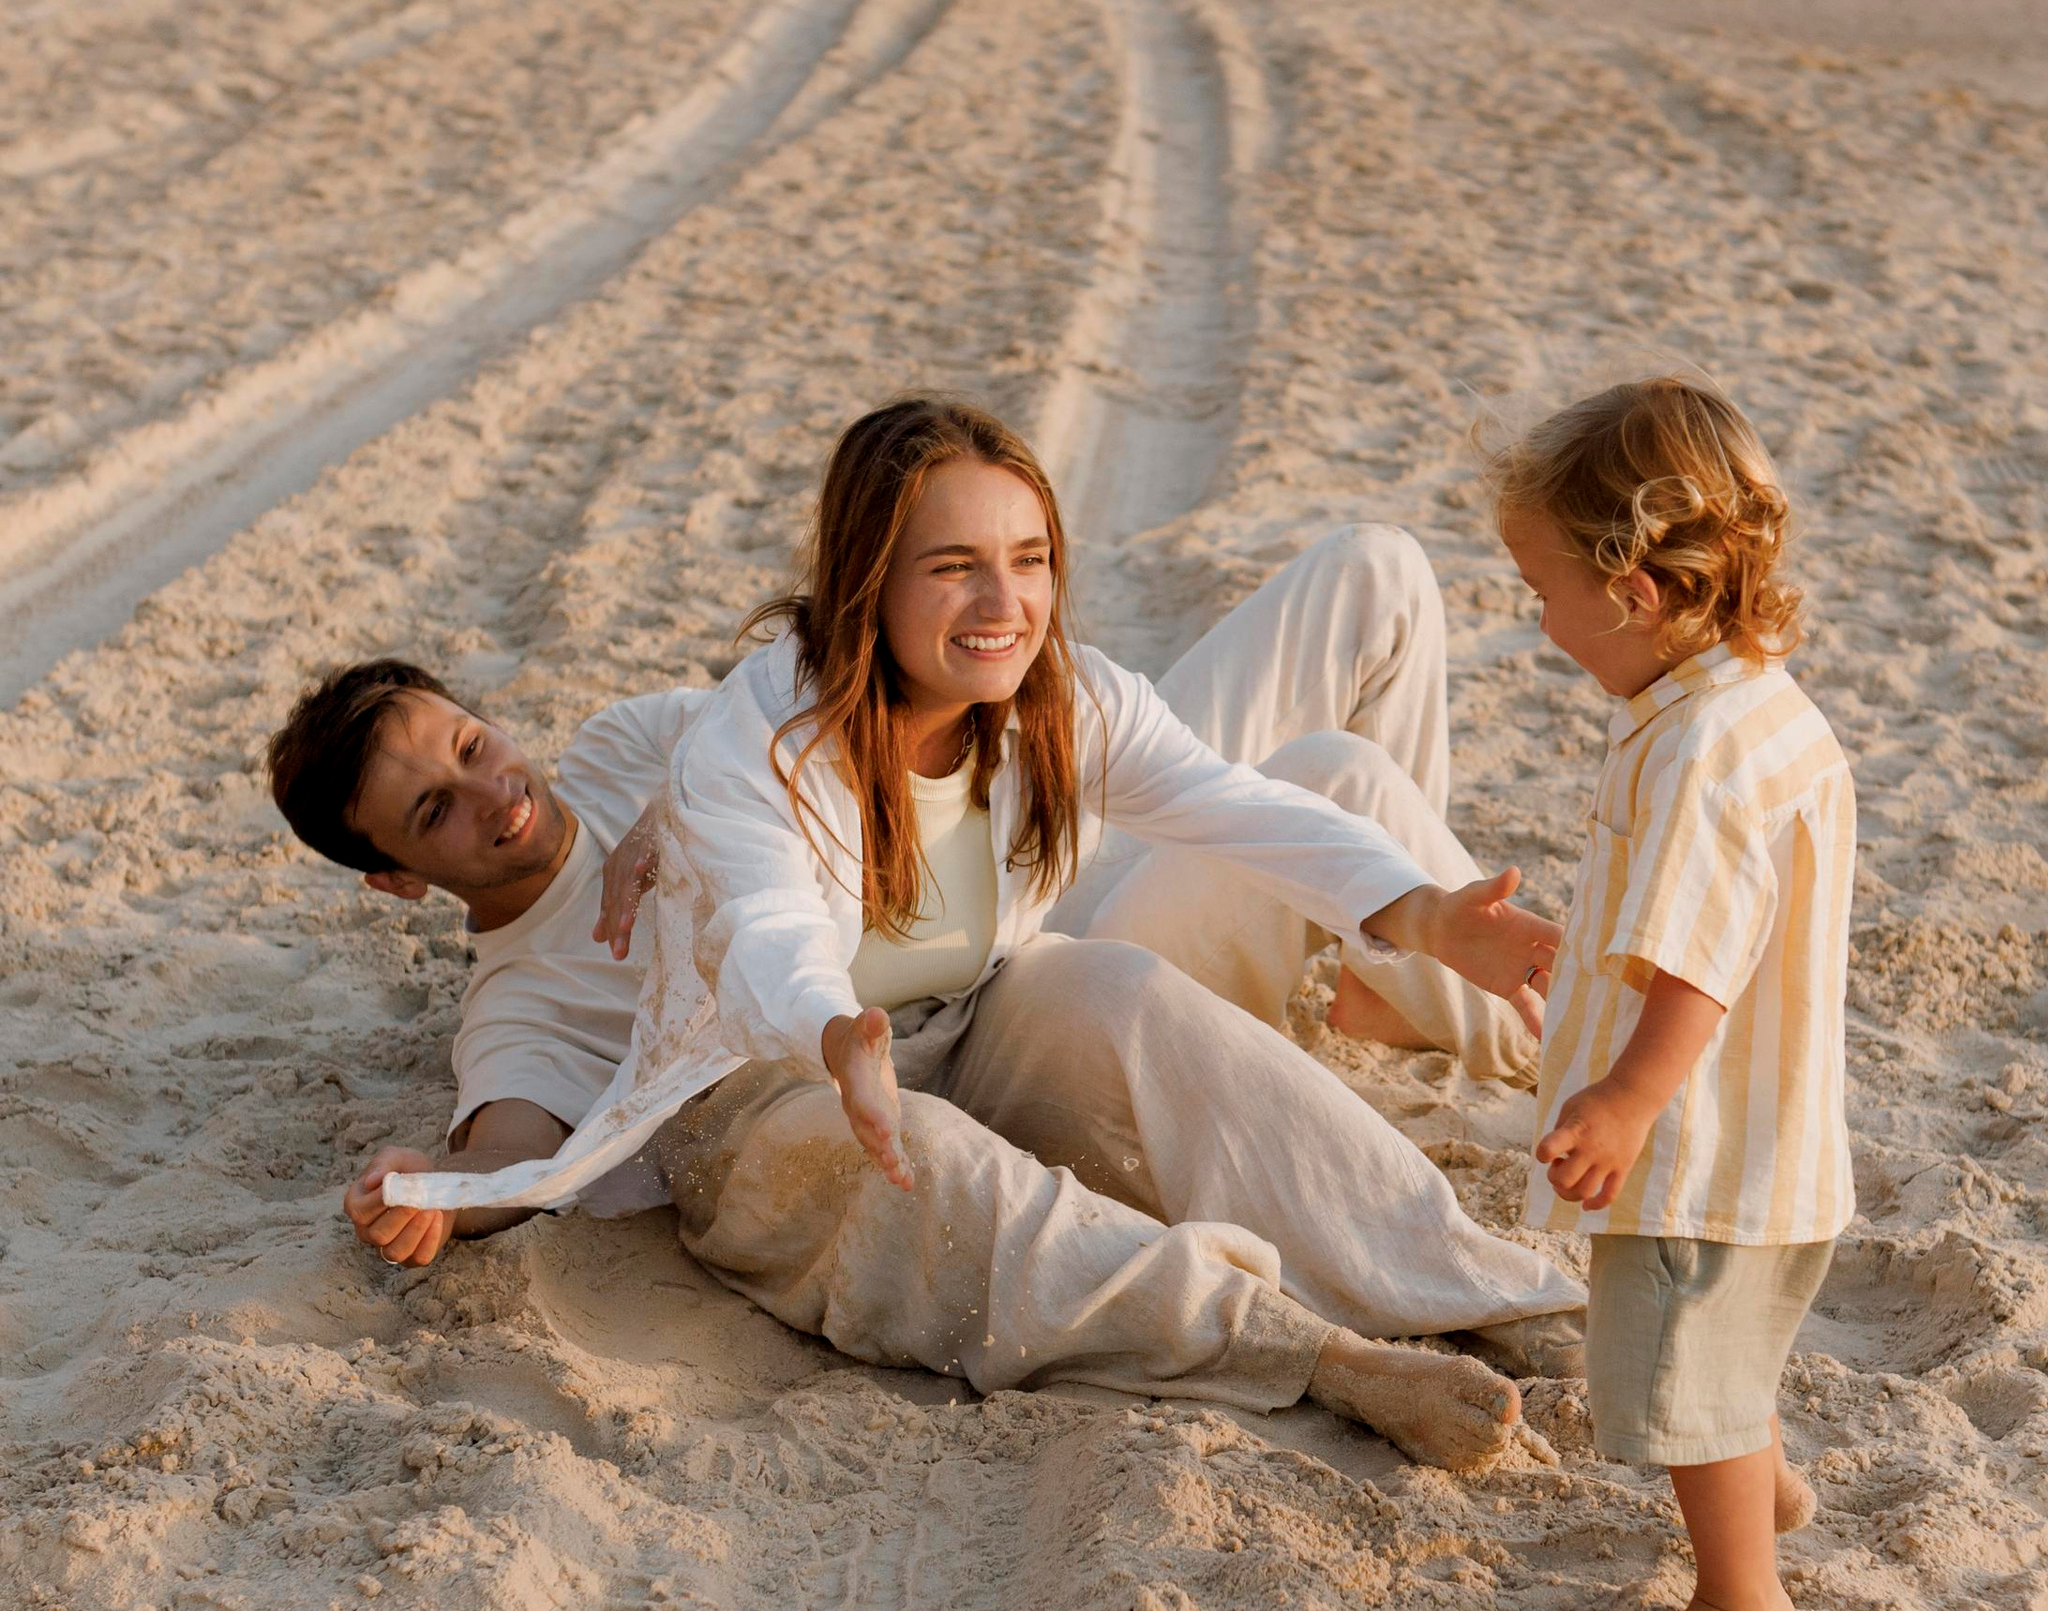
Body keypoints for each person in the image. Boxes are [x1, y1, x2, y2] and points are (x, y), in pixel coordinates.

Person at [271, 419, 1580, 1469]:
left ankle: (1481, 1270)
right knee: (933, 1162)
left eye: (471, 744)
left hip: (988, 960)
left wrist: (674, 813)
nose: (491, 793)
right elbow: (534, 1123)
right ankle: (1309, 1352)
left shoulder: (633, 744)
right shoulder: (519, 1000)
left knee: (1153, 950)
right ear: (398, 879)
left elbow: (762, 737)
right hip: (800, 1078)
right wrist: (436, 1189)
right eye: (434, 811)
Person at [1496, 376, 1854, 1611]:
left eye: (1542, 592)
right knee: (1715, 1348)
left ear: (1633, 592)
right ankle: (1762, 1489)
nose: (1538, 623)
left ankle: (1741, 1600)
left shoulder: (1697, 750)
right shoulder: (1757, 702)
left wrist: (1627, 1101)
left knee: (1681, 1370)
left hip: (1699, 1144)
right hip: (1767, 1123)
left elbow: (1699, 965)